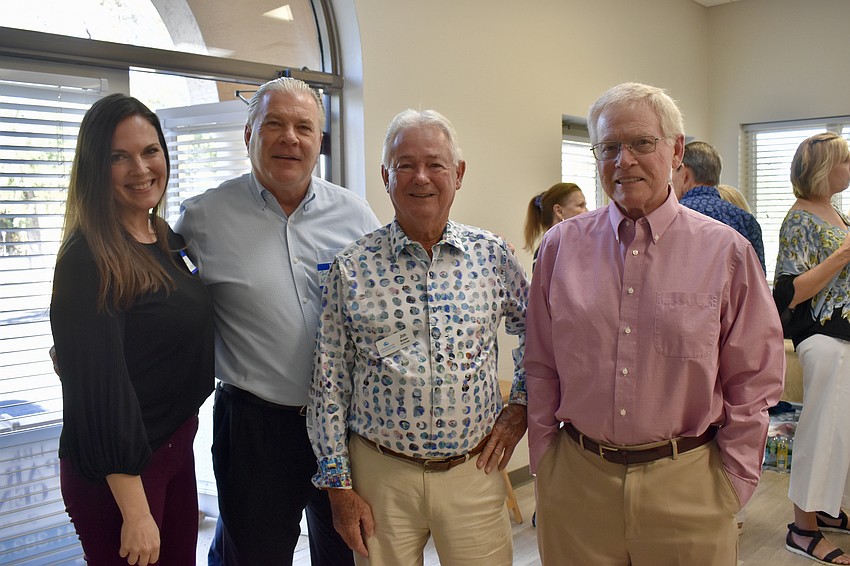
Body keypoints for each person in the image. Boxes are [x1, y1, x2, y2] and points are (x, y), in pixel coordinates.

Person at [525, 82, 785, 565]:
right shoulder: (560, 248)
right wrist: (546, 461)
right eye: (608, 148)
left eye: (642, 143)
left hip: (687, 484)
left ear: (676, 150)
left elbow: (755, 378)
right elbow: (540, 364)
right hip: (578, 484)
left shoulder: (727, 252)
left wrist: (734, 479)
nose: (623, 160)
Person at [307, 109, 529, 566]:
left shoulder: (493, 256)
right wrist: (338, 487)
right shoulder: (352, 268)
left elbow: (540, 334)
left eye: (435, 164)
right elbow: (328, 382)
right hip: (379, 475)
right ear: (385, 175)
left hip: (474, 470)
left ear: (459, 174)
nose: (420, 177)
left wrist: (520, 407)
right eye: (404, 164)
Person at [174, 77, 380, 566]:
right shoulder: (203, 218)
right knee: (255, 555)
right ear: (249, 136)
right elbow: (152, 288)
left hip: (346, 425)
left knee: (347, 553)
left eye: (303, 127)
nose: (290, 137)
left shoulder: (354, 215)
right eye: (274, 124)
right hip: (255, 427)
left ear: (318, 142)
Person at [50, 93, 215, 566]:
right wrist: (136, 511)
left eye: (149, 151)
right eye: (118, 157)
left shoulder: (165, 239)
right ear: (94, 168)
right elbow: (100, 395)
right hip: (117, 473)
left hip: (173, 447)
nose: (140, 168)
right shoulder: (88, 258)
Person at [775, 132, 850, 565]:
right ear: (824, 169)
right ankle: (803, 529)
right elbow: (789, 293)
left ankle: (829, 509)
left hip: (843, 338)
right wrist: (842, 256)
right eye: (844, 161)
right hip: (822, 340)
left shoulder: (834, 212)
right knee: (822, 429)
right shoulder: (799, 220)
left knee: (842, 429)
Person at [672, 140, 766, 273]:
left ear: (685, 174)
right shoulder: (746, 221)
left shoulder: (672, 217)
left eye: (674, 173)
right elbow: (757, 286)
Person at [523, 182, 587, 267]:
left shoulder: (579, 246)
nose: (587, 211)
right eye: (580, 206)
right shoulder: (547, 252)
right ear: (559, 211)